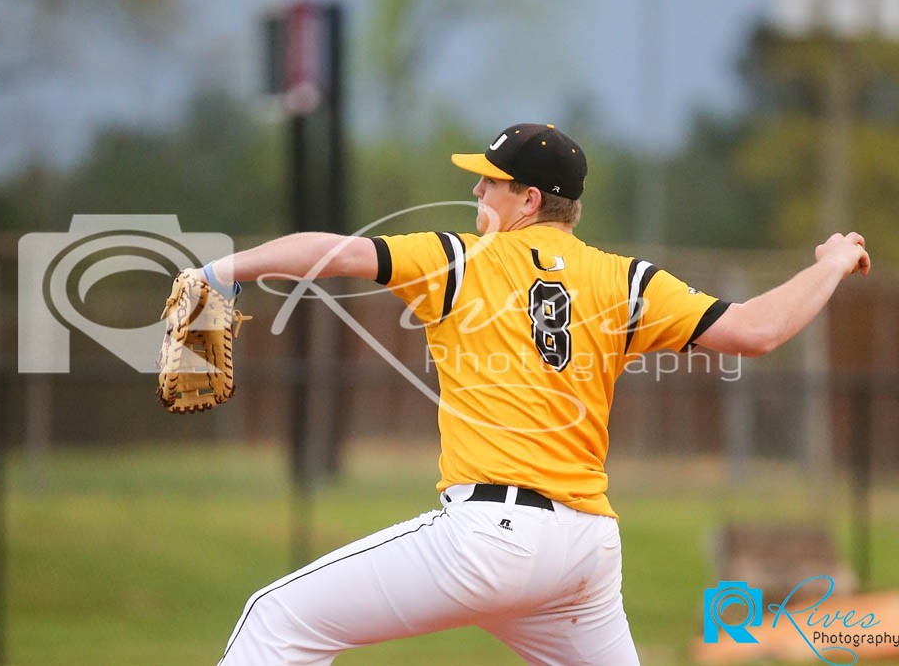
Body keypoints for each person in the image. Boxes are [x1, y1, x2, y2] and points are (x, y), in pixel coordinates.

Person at [200, 123, 871, 665]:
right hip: (584, 552)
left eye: (491, 181)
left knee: (276, 619)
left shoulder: (461, 259)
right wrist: (834, 264)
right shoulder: (627, 280)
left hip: (489, 539)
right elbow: (756, 329)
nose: (477, 188)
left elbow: (337, 253)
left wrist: (223, 270)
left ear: (527, 201)